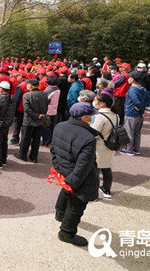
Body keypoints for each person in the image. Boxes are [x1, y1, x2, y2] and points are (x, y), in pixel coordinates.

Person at [51, 102, 100, 246]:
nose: (92, 118)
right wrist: (73, 181)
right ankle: (67, 232)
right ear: (84, 118)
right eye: (91, 116)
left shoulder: (60, 126)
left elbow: (53, 149)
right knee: (76, 205)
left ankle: (60, 213)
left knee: (66, 190)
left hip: (64, 170)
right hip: (78, 177)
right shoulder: (87, 138)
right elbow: (83, 166)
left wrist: (58, 167)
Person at [89, 93, 118, 199]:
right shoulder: (115, 114)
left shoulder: (99, 116)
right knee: (106, 168)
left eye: (95, 100)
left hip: (99, 147)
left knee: (95, 172)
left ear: (101, 104)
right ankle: (106, 189)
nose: (94, 102)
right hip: (110, 146)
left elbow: (94, 133)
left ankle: (93, 194)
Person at [15, 79, 48, 163]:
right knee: (36, 140)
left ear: (31, 86)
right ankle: (34, 157)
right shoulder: (44, 94)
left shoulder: (27, 95)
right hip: (40, 120)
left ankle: (22, 155)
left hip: (29, 121)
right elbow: (46, 107)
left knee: (25, 139)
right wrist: (40, 116)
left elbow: (27, 109)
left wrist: (36, 116)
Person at [119, 71, 150, 156]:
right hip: (139, 114)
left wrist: (141, 110)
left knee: (129, 131)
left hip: (131, 113)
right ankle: (136, 149)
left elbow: (136, 101)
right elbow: (148, 100)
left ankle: (129, 150)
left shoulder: (133, 89)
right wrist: (142, 108)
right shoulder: (143, 88)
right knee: (137, 132)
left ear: (132, 79)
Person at [42, 76, 60, 147]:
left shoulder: (48, 90)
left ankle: (46, 141)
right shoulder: (57, 89)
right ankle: (51, 140)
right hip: (54, 109)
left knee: (46, 127)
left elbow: (46, 100)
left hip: (48, 110)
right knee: (52, 125)